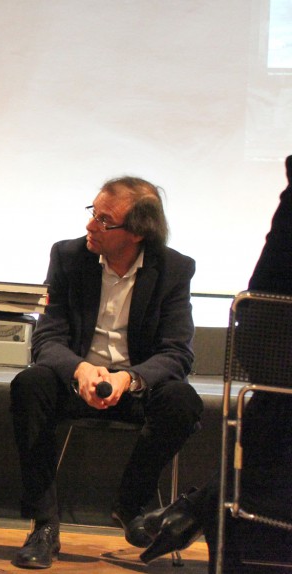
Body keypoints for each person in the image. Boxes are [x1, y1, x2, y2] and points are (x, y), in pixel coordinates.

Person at [8, 176, 204, 569]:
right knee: (29, 384)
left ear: (137, 232)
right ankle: (44, 525)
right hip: (76, 381)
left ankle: (130, 504)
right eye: (92, 213)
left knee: (183, 401)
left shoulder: (174, 269)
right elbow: (47, 337)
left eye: (103, 220)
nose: (90, 225)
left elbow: (176, 353)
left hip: (135, 387)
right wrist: (80, 369)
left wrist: (127, 379)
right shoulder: (68, 256)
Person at [138, 157, 292, 571]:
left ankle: (199, 507)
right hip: (275, 338)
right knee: (273, 418)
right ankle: (200, 507)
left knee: (270, 419)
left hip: (268, 337)